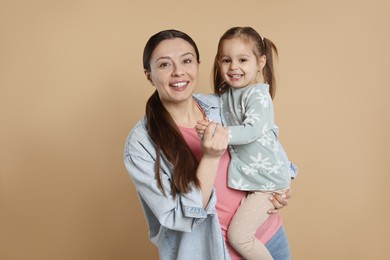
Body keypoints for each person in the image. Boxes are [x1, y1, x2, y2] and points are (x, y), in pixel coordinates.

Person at [124, 29, 294, 260]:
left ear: (198, 65)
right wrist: (210, 157)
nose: (178, 72)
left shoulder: (220, 105)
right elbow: (177, 218)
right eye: (164, 65)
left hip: (269, 240)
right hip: (212, 253)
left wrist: (276, 186)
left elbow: (264, 141)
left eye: (186, 60)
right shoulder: (141, 144)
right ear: (149, 74)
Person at [196, 26, 297, 260]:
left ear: (261, 62)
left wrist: (217, 132)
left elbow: (252, 131)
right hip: (257, 180)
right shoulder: (226, 97)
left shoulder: (258, 95)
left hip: (267, 184)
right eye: (226, 60)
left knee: (239, 236)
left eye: (242, 59)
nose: (233, 67)